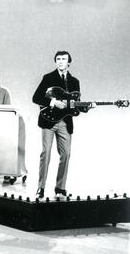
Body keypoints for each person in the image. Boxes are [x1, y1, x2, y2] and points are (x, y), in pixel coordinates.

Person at [32, 51, 93, 199]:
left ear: (69, 62)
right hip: (48, 121)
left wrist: (86, 107)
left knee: (66, 154)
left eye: (63, 59)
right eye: (58, 59)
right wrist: (53, 102)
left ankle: (60, 188)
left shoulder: (74, 81)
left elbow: (74, 106)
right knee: (46, 154)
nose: (60, 61)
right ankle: (40, 188)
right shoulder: (48, 78)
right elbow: (36, 97)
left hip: (65, 123)